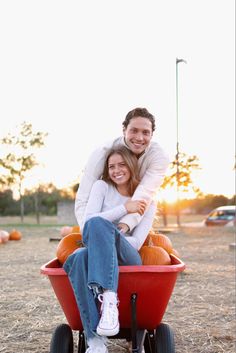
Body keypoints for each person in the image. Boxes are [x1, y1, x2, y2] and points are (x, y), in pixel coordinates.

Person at [63, 145, 156, 353]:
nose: (116, 170)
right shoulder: (101, 187)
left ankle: (109, 298)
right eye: (111, 166)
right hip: (96, 255)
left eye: (122, 164)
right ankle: (96, 342)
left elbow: (136, 242)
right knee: (78, 257)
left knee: (99, 225)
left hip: (128, 256)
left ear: (132, 166)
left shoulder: (146, 200)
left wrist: (110, 234)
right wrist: (124, 209)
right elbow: (88, 225)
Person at [75, 107, 169, 234]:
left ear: (152, 134)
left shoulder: (159, 157)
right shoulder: (101, 154)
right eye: (134, 131)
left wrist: (125, 225)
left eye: (145, 132)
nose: (139, 138)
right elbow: (83, 197)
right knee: (81, 253)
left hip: (134, 219)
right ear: (124, 130)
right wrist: (87, 232)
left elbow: (144, 193)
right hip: (104, 218)